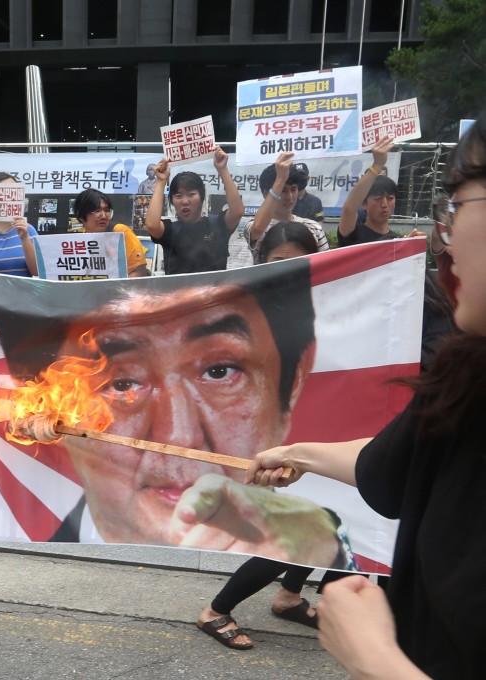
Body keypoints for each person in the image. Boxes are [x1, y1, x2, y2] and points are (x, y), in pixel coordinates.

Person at [245, 111, 486, 680]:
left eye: (460, 202)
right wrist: (297, 454)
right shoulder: (467, 372)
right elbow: (391, 465)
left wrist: (375, 658)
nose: (445, 234)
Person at [0, 260, 348, 567]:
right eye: (123, 384)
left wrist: (330, 551)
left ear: (293, 380)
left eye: (220, 371)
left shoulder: (324, 542)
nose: (179, 435)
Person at [196, 220, 322, 650]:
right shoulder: (247, 311)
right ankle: (216, 610)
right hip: (271, 432)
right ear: (261, 264)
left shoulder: (327, 305)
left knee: (338, 517)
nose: (288, 271)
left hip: (322, 428)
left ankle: (289, 596)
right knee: (296, 530)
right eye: (277, 263)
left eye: (299, 263)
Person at [145, 147, 245, 274]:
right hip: (179, 293)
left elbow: (237, 211)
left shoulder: (218, 225)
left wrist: (222, 170)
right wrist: (161, 181)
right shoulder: (170, 230)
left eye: (191, 194)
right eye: (178, 196)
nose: (185, 201)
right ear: (171, 201)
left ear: (202, 196)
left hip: (214, 293)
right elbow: (152, 225)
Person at [337, 137, 425, 246]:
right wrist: (377, 165)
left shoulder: (397, 241)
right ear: (364, 204)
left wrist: (407, 244)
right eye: (378, 198)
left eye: (390, 198)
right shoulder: (353, 235)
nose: (384, 204)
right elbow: (349, 209)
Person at [246, 153, 329, 264]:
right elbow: (257, 229)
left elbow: (325, 265)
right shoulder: (254, 227)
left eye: (294, 189)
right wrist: (280, 178)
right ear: (266, 193)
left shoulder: (314, 228)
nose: (290, 197)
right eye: (283, 190)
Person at [72, 188, 150, 276]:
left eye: (106, 210)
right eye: (97, 211)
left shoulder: (120, 232)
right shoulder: (80, 241)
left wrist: (110, 288)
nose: (104, 216)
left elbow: (139, 272)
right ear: (81, 216)